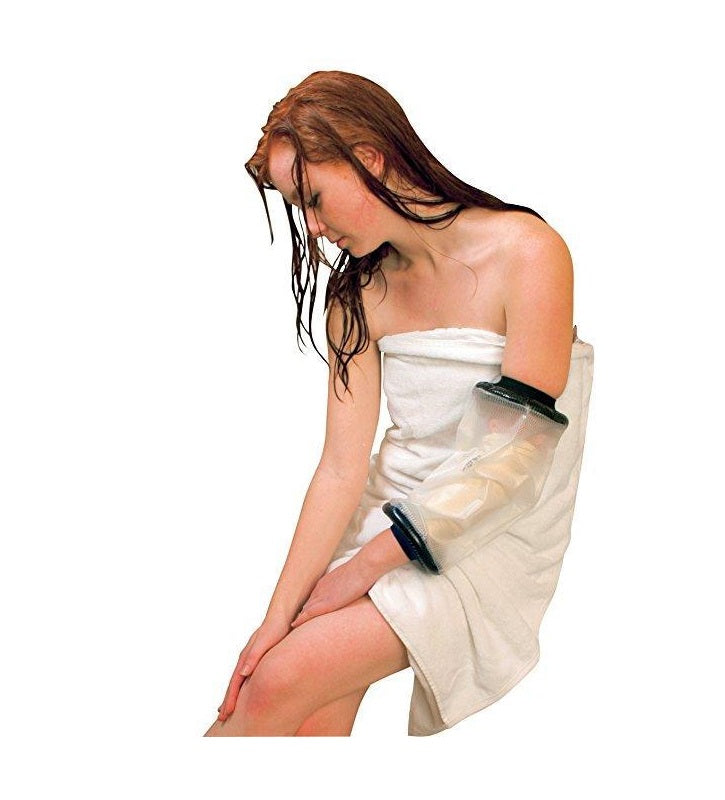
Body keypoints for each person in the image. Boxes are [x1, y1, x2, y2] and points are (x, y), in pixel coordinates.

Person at [204, 70, 594, 737]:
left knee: (279, 685)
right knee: (300, 714)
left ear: (371, 158)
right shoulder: (357, 299)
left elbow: (519, 458)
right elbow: (340, 470)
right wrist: (275, 619)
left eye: (315, 198)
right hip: (388, 513)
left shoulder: (528, 252)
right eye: (300, 209)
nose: (314, 228)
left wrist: (362, 570)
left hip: (487, 530)